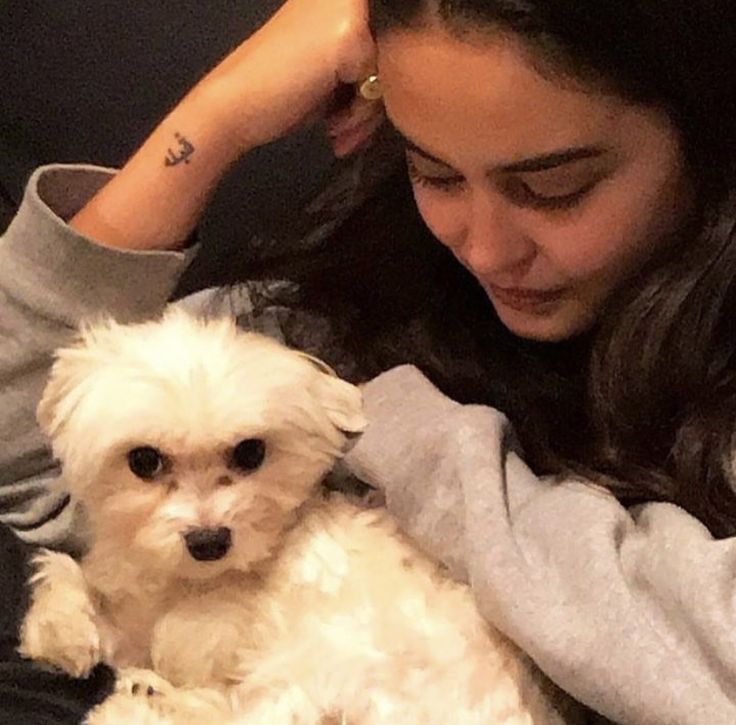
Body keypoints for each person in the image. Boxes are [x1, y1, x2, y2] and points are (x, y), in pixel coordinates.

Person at [2, 0, 736, 721]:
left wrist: (399, 426)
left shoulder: (366, 390)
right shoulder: (360, 302)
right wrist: (219, 117)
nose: (483, 248)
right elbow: (40, 453)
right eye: (435, 173)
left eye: (554, 189)